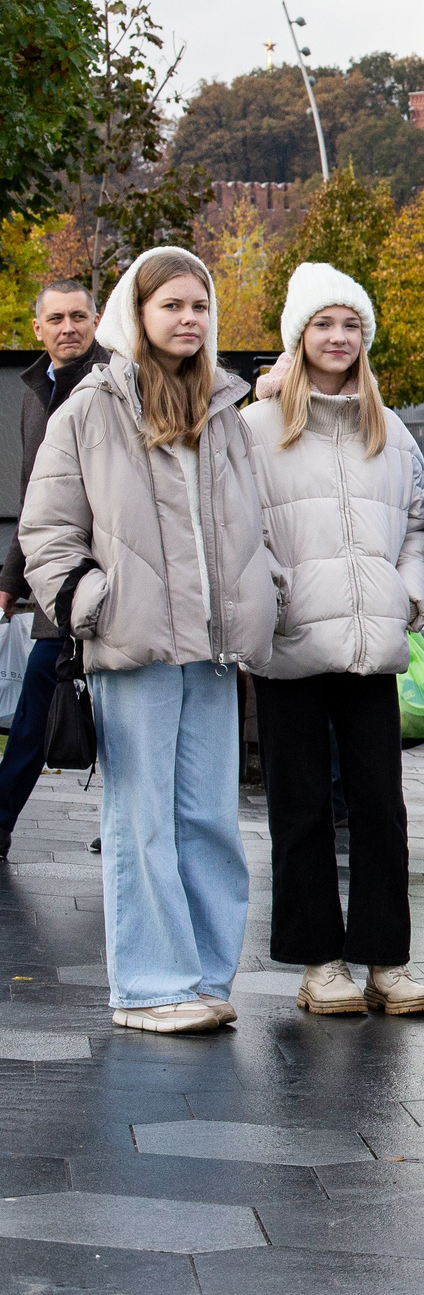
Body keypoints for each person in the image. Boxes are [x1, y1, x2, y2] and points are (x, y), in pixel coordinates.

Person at [21, 247, 281, 1034]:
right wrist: (95, 603)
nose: (188, 319)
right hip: (133, 647)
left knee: (207, 817)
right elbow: (49, 533)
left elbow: (255, 522)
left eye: (199, 305)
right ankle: (146, 985)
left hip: (211, 649)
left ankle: (202, 975)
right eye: (171, 305)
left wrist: (260, 595)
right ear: (137, 315)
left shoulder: (226, 412)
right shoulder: (89, 410)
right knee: (141, 819)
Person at [244, 263, 424, 1018]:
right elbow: (241, 526)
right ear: (299, 335)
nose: (337, 337)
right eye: (323, 324)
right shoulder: (256, 429)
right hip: (292, 641)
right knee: (298, 806)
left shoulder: (387, 433)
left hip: (371, 642)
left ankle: (387, 958)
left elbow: (417, 525)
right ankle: (319, 961)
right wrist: (274, 596)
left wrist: (410, 593)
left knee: (382, 806)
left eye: (350, 324)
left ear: (365, 337)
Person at [0, 279, 107, 859]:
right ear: (37, 328)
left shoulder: (115, 379)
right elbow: (31, 496)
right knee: (47, 693)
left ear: (96, 321)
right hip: (54, 576)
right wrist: (9, 580)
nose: (69, 328)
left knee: (95, 700)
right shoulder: (34, 389)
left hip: (109, 577)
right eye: (56, 319)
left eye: (79, 317)